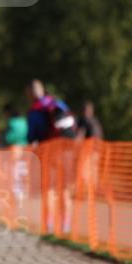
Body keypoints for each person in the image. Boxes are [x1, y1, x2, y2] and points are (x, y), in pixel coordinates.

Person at [26, 80, 76, 234]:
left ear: (29, 93)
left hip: (47, 152)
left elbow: (32, 135)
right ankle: (66, 224)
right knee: (65, 188)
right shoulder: (57, 103)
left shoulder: (34, 110)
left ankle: (49, 224)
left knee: (49, 188)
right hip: (66, 151)